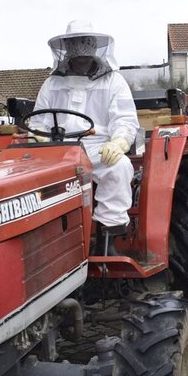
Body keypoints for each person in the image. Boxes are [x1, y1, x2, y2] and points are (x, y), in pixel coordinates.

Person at [30, 20, 139, 255]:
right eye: (76, 53)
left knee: (120, 168)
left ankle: (107, 243)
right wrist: (38, 136)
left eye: (84, 53)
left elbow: (125, 119)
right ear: (67, 50)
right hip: (59, 149)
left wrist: (119, 142)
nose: (80, 59)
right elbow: (39, 121)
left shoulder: (114, 82)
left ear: (93, 50)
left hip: (99, 147)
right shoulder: (52, 84)